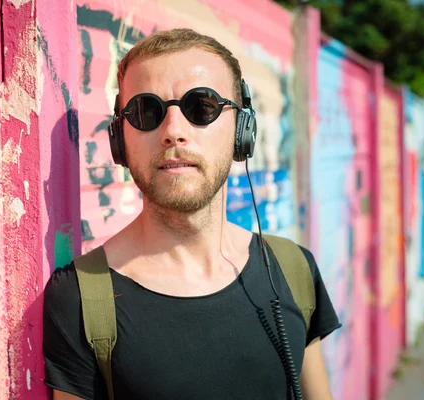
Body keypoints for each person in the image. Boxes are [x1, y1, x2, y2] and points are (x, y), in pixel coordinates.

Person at [43, 28, 341, 400]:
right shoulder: (80, 298)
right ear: (120, 139)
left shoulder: (293, 268)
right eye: (146, 111)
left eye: (202, 107)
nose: (173, 132)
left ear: (241, 131)